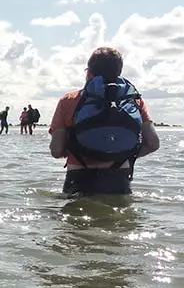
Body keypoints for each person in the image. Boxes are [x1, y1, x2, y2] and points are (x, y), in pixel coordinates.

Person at [49, 47, 160, 198]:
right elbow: (153, 143)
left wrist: (77, 148)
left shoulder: (68, 100)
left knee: (75, 219)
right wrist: (125, 155)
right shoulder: (134, 101)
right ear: (119, 72)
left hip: (78, 177)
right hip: (119, 178)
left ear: (89, 72)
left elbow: (56, 150)